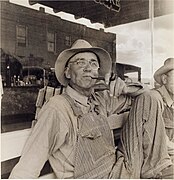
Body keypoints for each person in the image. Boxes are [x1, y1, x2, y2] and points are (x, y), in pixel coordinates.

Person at [9, 40, 171, 179]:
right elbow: (27, 168)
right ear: (67, 72)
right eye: (80, 62)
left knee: (150, 98)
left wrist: (126, 88)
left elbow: (145, 97)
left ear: (98, 72)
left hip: (122, 170)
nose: (88, 68)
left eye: (93, 63)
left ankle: (156, 171)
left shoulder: (99, 100)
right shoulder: (57, 108)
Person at [118, 58, 174, 179]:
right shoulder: (153, 98)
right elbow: (156, 141)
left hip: (160, 160)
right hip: (148, 164)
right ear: (164, 79)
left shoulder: (170, 104)